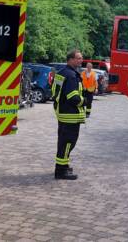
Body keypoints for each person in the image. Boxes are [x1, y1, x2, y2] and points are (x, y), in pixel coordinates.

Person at [51, 50, 86, 180]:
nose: (81, 60)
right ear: (70, 60)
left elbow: (55, 93)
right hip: (70, 116)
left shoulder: (61, 73)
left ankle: (63, 166)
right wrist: (84, 101)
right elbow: (73, 98)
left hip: (62, 113)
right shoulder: (71, 76)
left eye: (81, 58)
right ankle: (60, 171)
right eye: (78, 58)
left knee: (63, 142)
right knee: (68, 143)